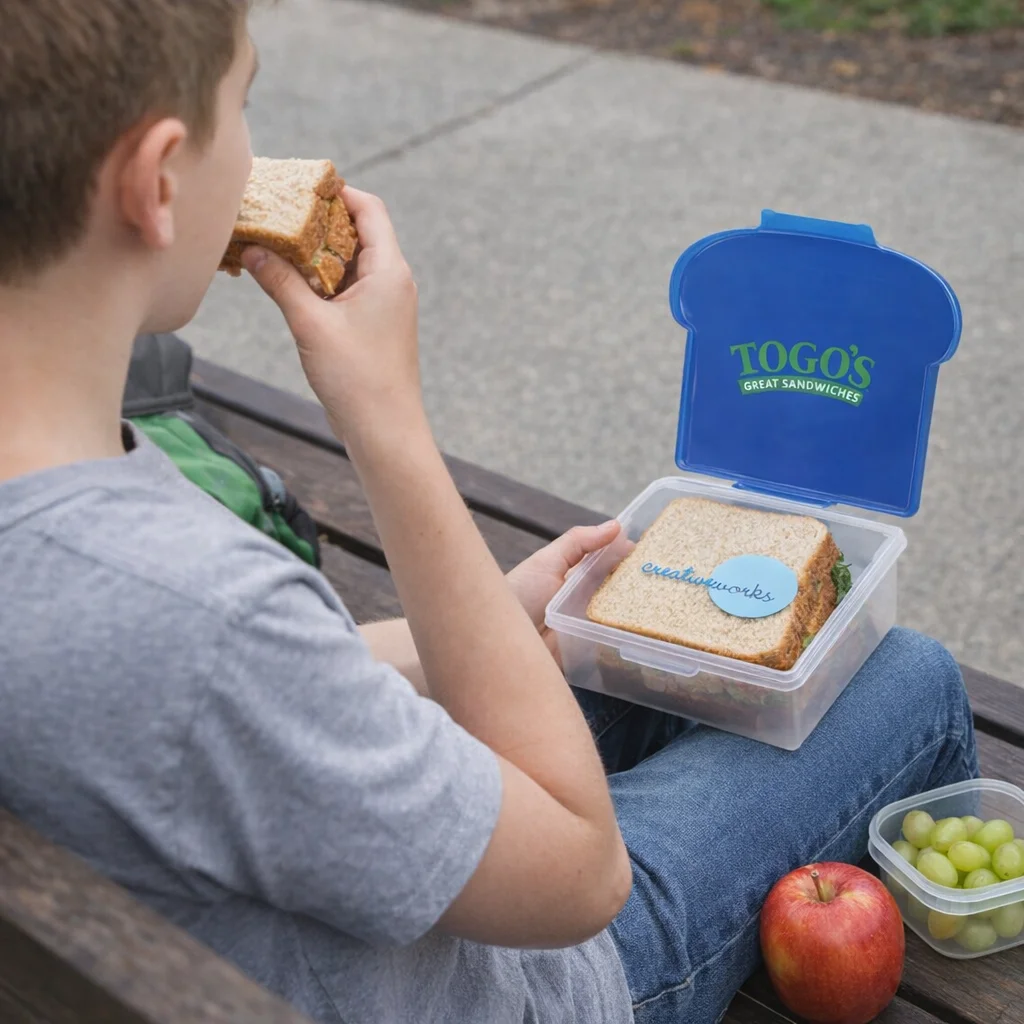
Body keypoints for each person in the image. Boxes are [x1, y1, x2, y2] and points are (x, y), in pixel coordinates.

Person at [0, 2, 977, 1023]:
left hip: (269, 899)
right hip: (529, 980)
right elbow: (582, 878)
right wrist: (386, 417)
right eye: (241, 105)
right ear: (156, 183)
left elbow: (217, 689)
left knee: (650, 633)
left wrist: (480, 622)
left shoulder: (93, 536)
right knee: (903, 672)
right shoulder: (202, 616)